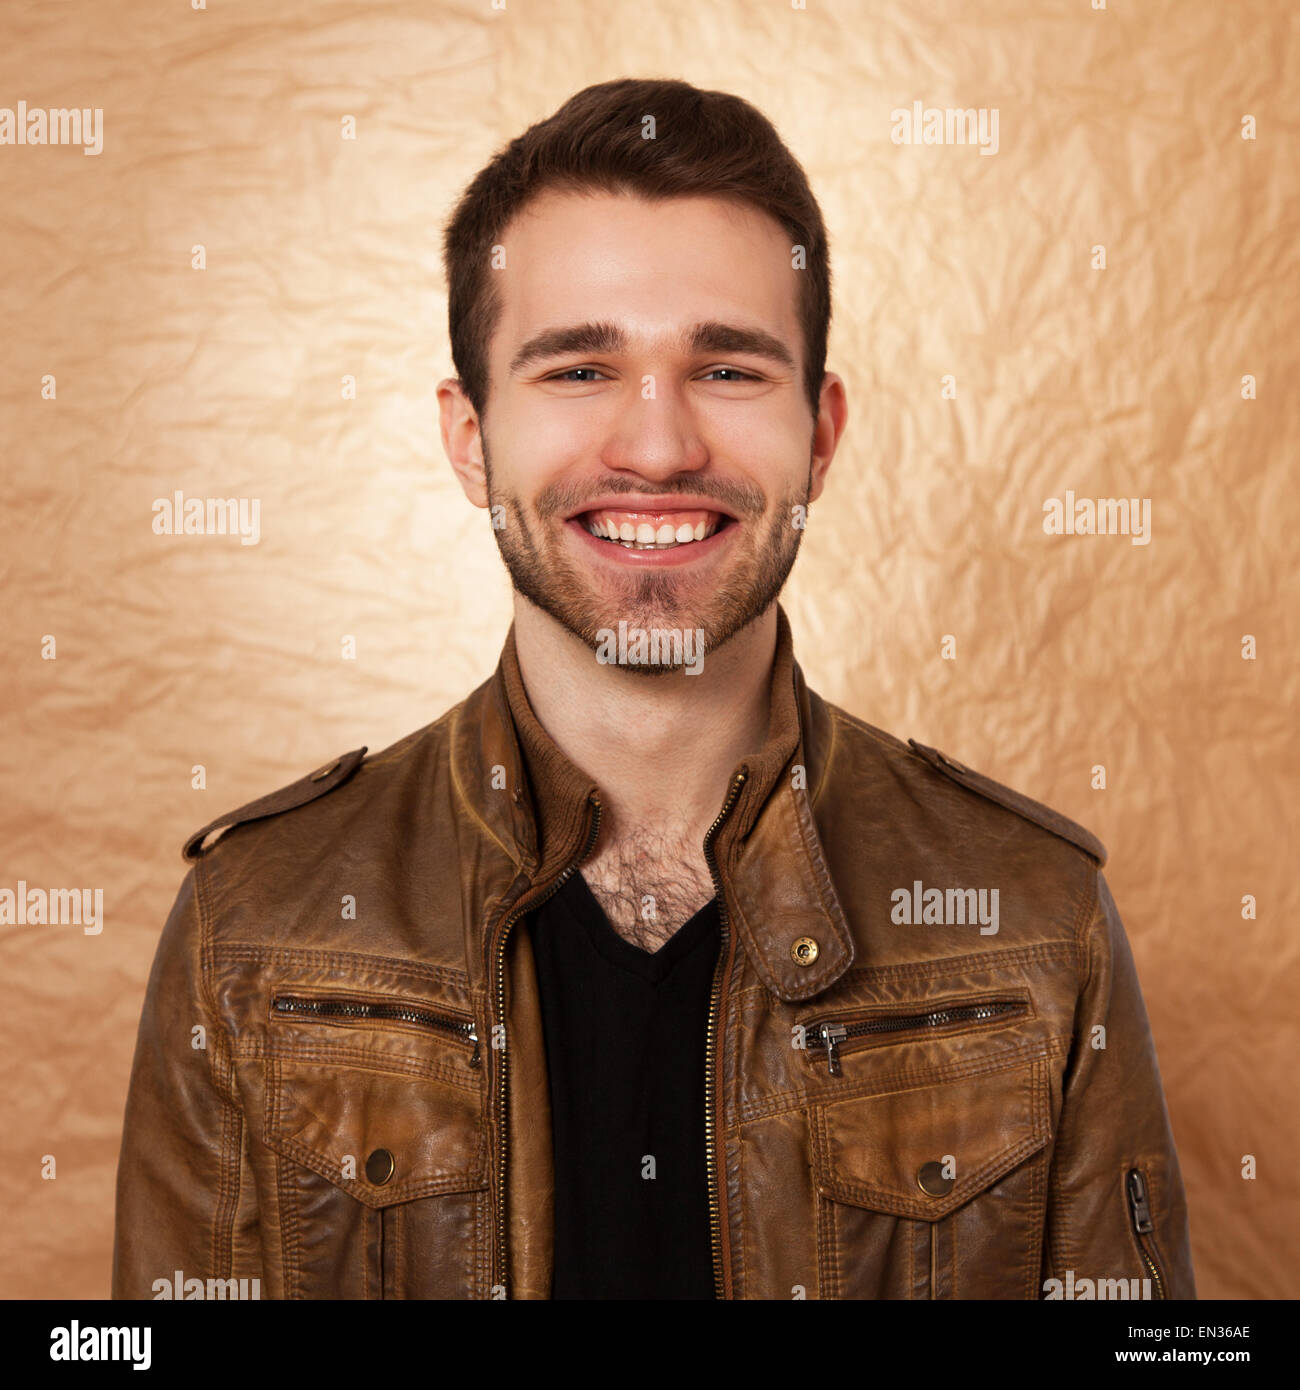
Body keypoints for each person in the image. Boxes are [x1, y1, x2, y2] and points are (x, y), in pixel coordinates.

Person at [112, 77, 1194, 1300]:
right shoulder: (253, 920)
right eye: (578, 369)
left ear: (821, 435)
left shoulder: (1033, 913)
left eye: (726, 370)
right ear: (470, 438)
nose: (659, 445)